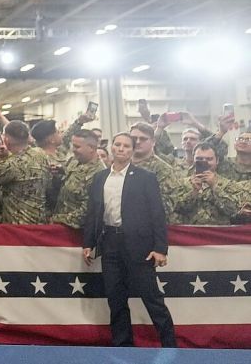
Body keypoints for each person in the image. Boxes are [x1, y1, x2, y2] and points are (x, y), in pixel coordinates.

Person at [82, 132, 176, 348]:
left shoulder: (145, 177)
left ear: (133, 150)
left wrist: (160, 248)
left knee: (151, 298)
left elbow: (157, 214)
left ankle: (170, 345)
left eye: (126, 146)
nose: (121, 149)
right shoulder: (100, 178)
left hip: (139, 246)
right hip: (110, 244)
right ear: (112, 148)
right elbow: (93, 213)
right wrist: (89, 243)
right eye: (117, 145)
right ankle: (123, 346)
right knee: (115, 298)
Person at [0, 120, 51, 224]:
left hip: (18, 224)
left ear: (6, 139)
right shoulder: (40, 153)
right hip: (39, 221)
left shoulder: (13, 164)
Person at [174, 143, 245, 225]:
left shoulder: (229, 184)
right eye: (199, 158)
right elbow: (176, 209)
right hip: (191, 234)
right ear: (193, 160)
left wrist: (215, 187)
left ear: (217, 160)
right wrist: (194, 192)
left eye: (209, 159)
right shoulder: (181, 183)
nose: (204, 162)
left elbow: (234, 211)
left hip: (218, 234)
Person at [52, 131, 106, 228]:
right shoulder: (74, 160)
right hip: (60, 224)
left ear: (91, 148)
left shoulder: (99, 174)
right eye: (73, 145)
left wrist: (55, 220)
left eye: (77, 147)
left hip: (76, 230)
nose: (73, 150)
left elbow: (87, 211)